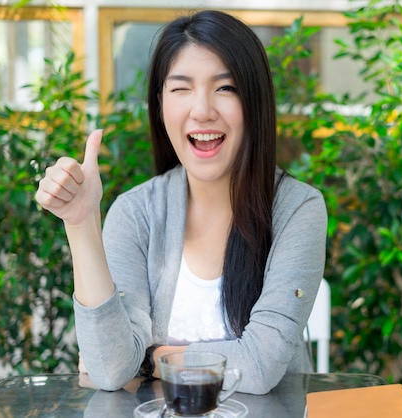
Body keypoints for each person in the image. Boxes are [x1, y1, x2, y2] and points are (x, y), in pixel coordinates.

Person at [35, 10, 327, 395]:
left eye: (226, 88)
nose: (202, 110)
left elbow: (258, 365)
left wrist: (149, 358)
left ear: (255, 103)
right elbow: (109, 370)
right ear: (160, 105)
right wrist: (80, 222)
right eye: (181, 88)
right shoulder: (135, 212)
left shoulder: (297, 209)